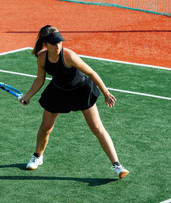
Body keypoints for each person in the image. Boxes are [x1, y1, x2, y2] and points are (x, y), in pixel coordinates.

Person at [19, 25, 129, 179]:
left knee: (97, 128)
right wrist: (28, 96)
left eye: (59, 42)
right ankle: (38, 156)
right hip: (58, 91)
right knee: (45, 128)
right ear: (45, 44)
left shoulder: (69, 56)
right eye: (54, 43)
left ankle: (117, 166)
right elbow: (40, 79)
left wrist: (106, 92)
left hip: (81, 91)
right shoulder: (42, 58)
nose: (58, 46)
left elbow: (91, 72)